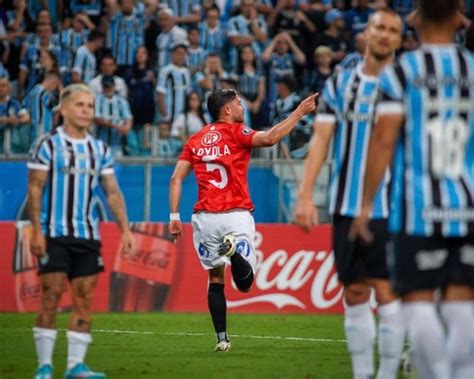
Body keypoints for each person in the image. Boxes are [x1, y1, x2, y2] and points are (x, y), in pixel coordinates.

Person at [350, 1, 474, 378]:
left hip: (417, 212)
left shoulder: (401, 73)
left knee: (418, 305)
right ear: (459, 19)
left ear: (413, 20)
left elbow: (383, 140)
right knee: (461, 307)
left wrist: (365, 204)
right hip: (467, 209)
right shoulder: (472, 69)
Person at [294, 9, 405, 379]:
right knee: (355, 292)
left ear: (399, 39)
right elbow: (321, 140)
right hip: (345, 204)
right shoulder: (341, 84)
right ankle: (363, 375)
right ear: (367, 34)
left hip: (393, 207)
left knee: (387, 291)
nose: (386, 35)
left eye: (393, 30)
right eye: (380, 28)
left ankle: (387, 375)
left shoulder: (407, 83)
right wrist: (305, 194)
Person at [168, 89, 317, 352]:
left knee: (215, 278)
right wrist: (299, 112)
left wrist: (173, 216)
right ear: (226, 110)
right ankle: (235, 252)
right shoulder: (238, 132)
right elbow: (271, 138)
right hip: (235, 215)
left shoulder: (195, 140)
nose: (242, 107)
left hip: (204, 219)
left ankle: (222, 339)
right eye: (238, 104)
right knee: (244, 283)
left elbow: (175, 178)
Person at [28, 83, 134, 379]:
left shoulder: (99, 149)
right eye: (80, 105)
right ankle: (44, 366)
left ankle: (75, 366)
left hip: (88, 235)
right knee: (50, 295)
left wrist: (125, 229)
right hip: (53, 233)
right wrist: (35, 231)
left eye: (90, 106)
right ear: (63, 109)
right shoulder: (47, 145)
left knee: (84, 298)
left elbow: (112, 192)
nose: (87, 111)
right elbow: (35, 188)